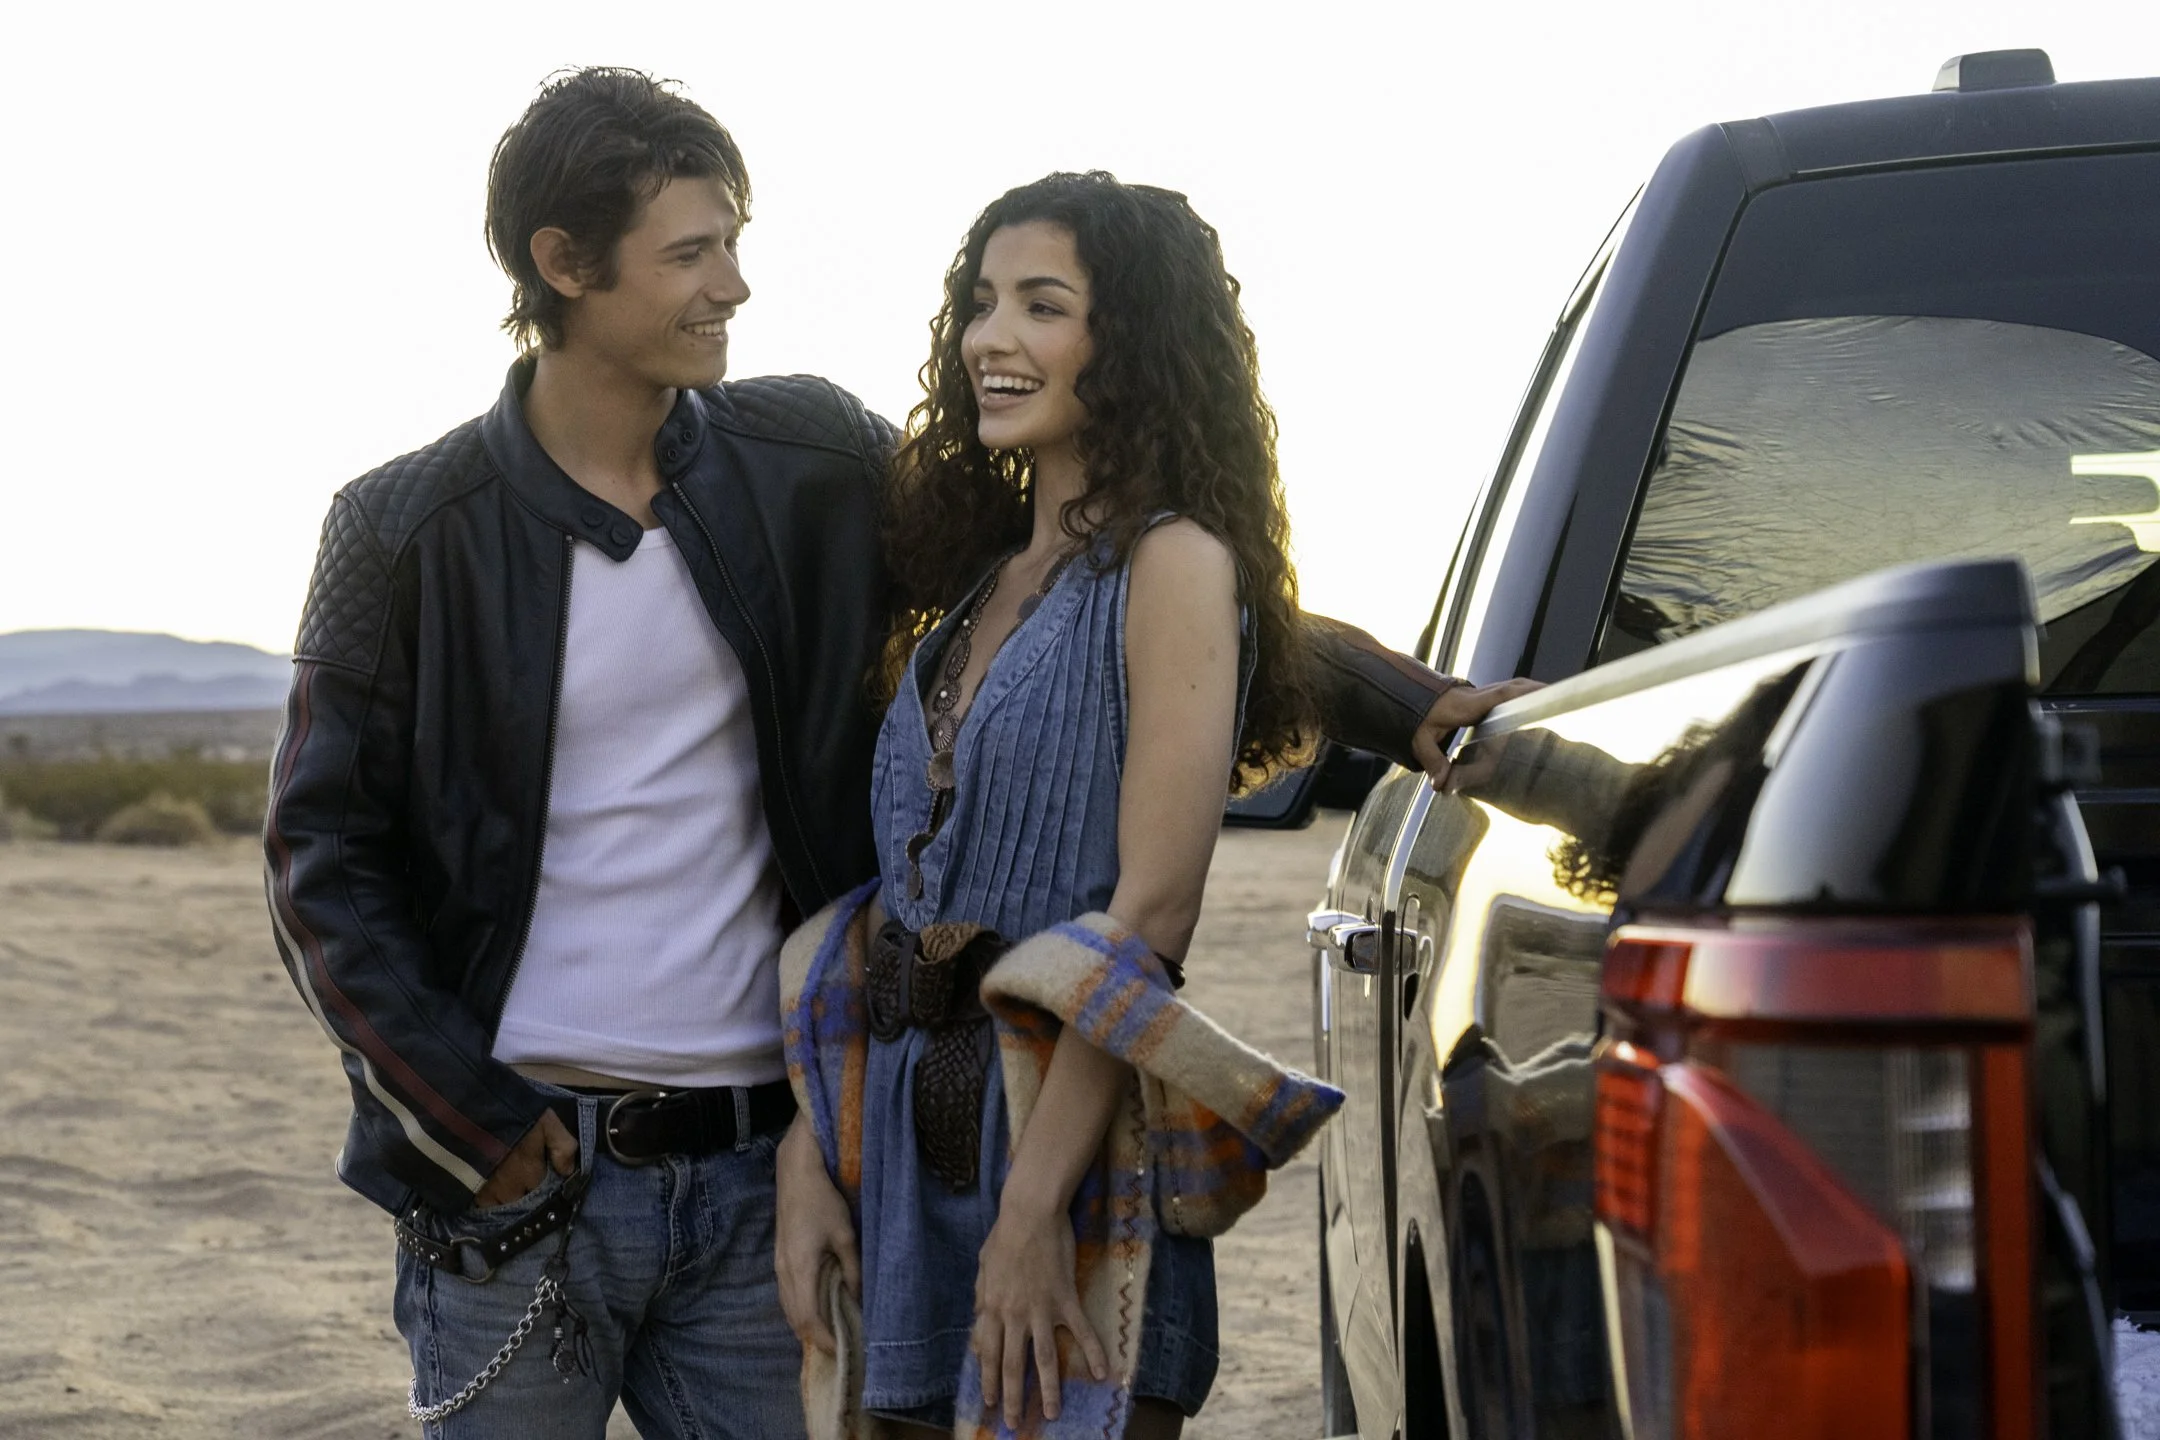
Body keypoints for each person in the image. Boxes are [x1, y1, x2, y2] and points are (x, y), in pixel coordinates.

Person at [266, 70, 1528, 1440]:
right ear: (564, 264)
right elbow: (319, 858)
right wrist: (469, 1125)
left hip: (771, 1169)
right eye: (690, 254)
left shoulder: (803, 460)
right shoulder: (401, 528)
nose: (733, 285)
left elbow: (1115, 582)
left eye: (733, 242)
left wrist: (1405, 700)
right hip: (525, 1186)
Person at [771, 173, 1531, 1437]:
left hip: (1064, 1157)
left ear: (1127, 344)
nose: (991, 337)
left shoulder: (1175, 563)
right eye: (981, 301)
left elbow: (1153, 917)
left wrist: (1031, 1218)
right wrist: (813, 1151)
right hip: (899, 1160)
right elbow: (898, 901)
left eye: (1042, 305)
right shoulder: (975, 583)